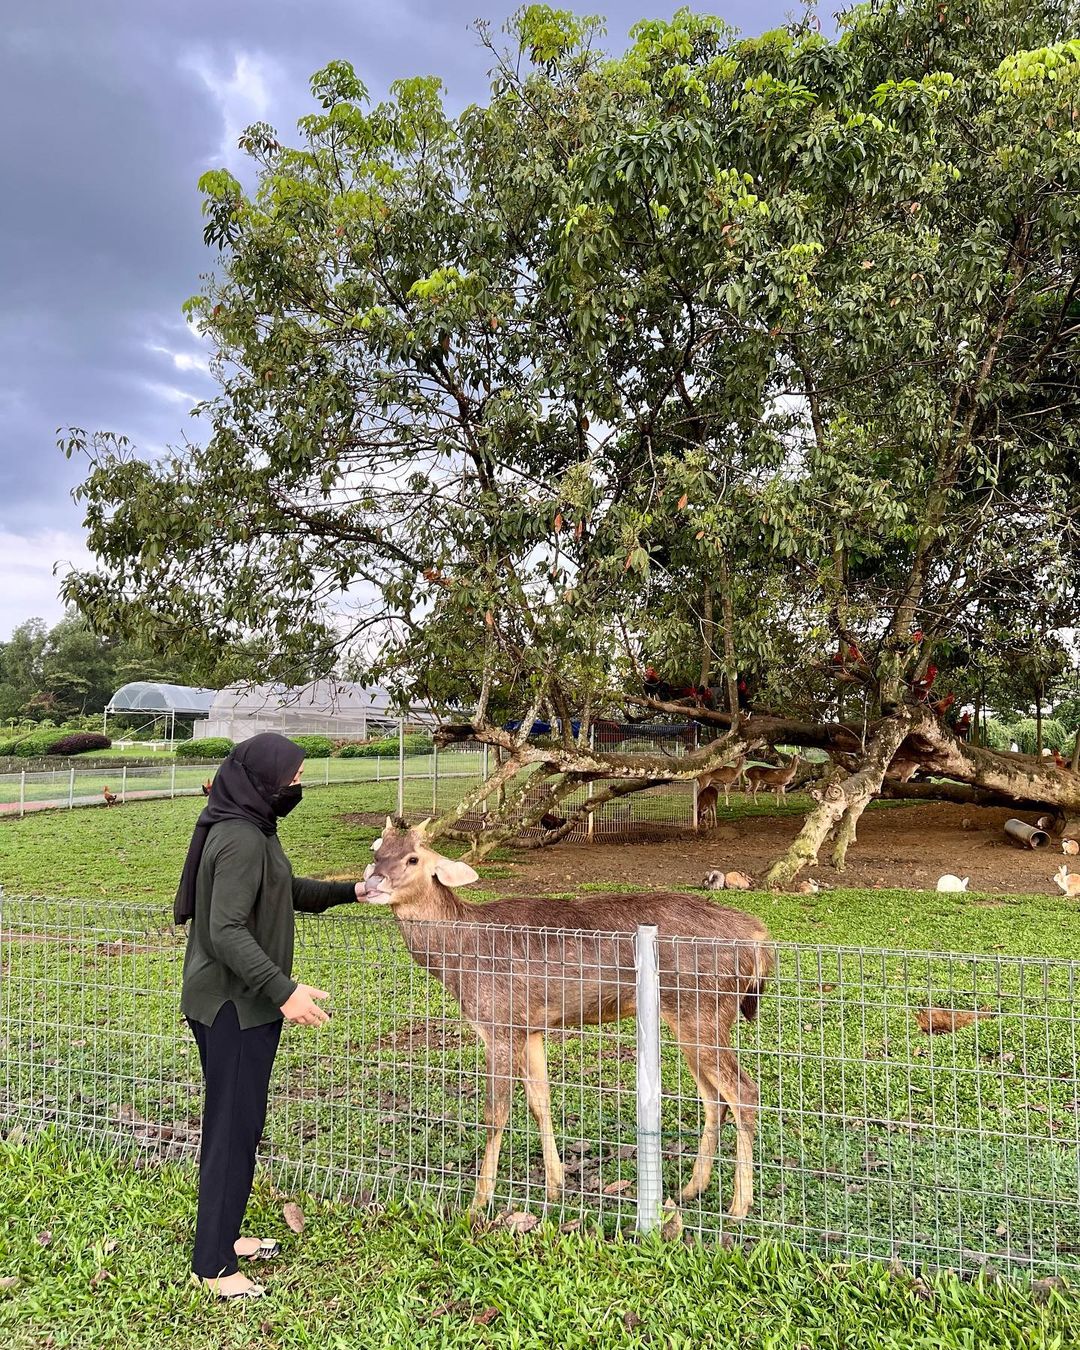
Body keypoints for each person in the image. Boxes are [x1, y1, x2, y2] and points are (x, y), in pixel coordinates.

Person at [174, 732, 363, 1300]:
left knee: (240, 1124)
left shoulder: (254, 828)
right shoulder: (239, 839)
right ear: (264, 783)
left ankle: (225, 1236)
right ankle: (212, 1265)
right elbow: (225, 930)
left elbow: (284, 891)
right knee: (232, 1130)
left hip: (244, 1004)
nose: (298, 787)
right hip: (232, 1006)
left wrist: (352, 891)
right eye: (293, 779)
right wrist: (285, 992)